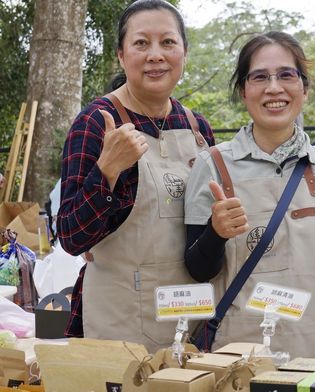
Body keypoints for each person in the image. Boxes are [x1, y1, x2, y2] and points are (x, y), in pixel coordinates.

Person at [184, 31, 315, 358]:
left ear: (304, 88)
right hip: (239, 355)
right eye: (260, 77)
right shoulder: (211, 165)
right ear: (243, 90)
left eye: (287, 75)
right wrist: (216, 233)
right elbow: (197, 270)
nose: (274, 88)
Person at [57, 0, 214, 352]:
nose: (155, 55)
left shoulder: (197, 127)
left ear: (184, 53)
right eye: (141, 43)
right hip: (121, 318)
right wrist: (108, 169)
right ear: (121, 55)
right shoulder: (97, 122)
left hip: (190, 312)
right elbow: (70, 237)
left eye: (168, 43)